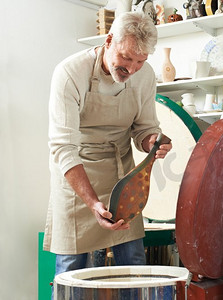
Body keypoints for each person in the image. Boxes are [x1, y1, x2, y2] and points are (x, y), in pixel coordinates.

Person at [43, 11, 171, 278]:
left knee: (133, 263)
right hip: (76, 176)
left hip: (120, 174)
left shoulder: (144, 75)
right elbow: (63, 147)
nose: (132, 69)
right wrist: (92, 203)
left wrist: (152, 143)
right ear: (109, 40)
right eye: (126, 58)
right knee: (72, 268)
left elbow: (145, 127)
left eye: (140, 61)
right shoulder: (70, 73)